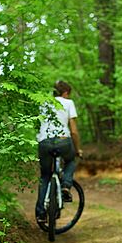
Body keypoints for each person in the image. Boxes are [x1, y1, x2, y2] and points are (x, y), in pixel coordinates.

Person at [35, 80, 83, 223]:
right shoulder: (68, 103)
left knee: (45, 177)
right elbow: (73, 131)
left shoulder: (43, 102)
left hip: (44, 141)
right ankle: (66, 186)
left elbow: (38, 125)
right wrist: (77, 149)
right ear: (66, 92)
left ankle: (41, 213)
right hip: (63, 141)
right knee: (70, 160)